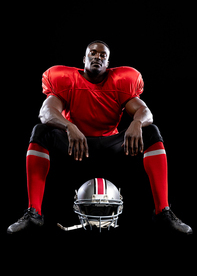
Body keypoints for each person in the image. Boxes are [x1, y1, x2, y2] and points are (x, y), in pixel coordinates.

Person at [7, 40, 192, 235]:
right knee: (40, 131)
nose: (98, 57)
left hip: (110, 147)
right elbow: (46, 113)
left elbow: (145, 111)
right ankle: (33, 213)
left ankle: (163, 211)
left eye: (103, 55)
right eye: (93, 53)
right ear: (84, 59)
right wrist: (69, 126)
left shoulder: (120, 83)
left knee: (151, 130)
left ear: (108, 63)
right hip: (75, 146)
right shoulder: (68, 81)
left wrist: (136, 123)